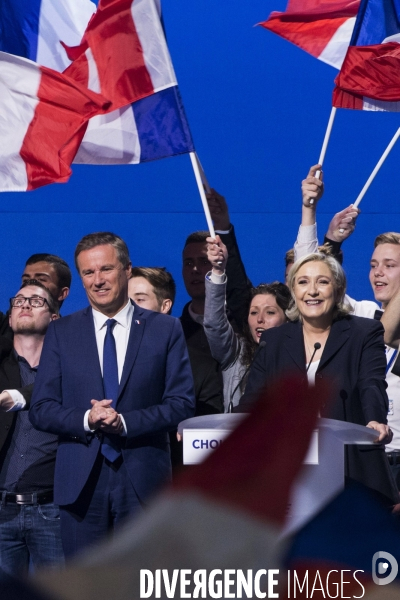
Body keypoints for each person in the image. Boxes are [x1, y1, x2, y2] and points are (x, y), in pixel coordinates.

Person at [29, 232, 195, 557]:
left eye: (105, 269)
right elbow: (42, 408)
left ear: (127, 269)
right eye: (88, 273)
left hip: (144, 482)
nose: (97, 280)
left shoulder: (165, 329)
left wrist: (125, 423)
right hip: (80, 485)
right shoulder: (62, 332)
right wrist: (86, 419)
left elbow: (181, 404)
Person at [240, 252, 398, 505]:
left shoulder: (363, 332)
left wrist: (375, 420)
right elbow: (253, 402)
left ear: (338, 289)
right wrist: (207, 431)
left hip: (351, 474)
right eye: (303, 282)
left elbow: (372, 383)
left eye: (322, 282)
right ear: (293, 290)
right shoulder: (275, 340)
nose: (312, 291)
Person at [0, 280, 63, 577]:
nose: (25, 304)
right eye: (19, 300)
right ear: (9, 317)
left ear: (54, 317)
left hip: (52, 511)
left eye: (37, 301)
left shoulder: (68, 372)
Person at [204, 235, 291, 410]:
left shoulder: (301, 355)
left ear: (288, 317)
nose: (260, 319)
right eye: (254, 312)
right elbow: (214, 323)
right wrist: (218, 271)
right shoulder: (236, 353)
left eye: (270, 312)